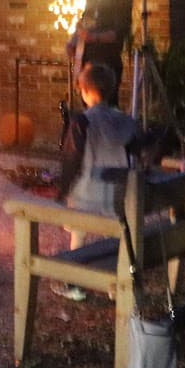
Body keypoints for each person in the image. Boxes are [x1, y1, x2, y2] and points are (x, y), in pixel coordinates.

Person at [48, 64, 139, 301]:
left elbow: (71, 161)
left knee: (77, 231)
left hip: (86, 198)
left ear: (85, 91)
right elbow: (138, 154)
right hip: (118, 200)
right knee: (117, 236)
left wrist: (61, 191)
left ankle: (75, 283)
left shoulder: (82, 122)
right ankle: (115, 286)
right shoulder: (127, 122)